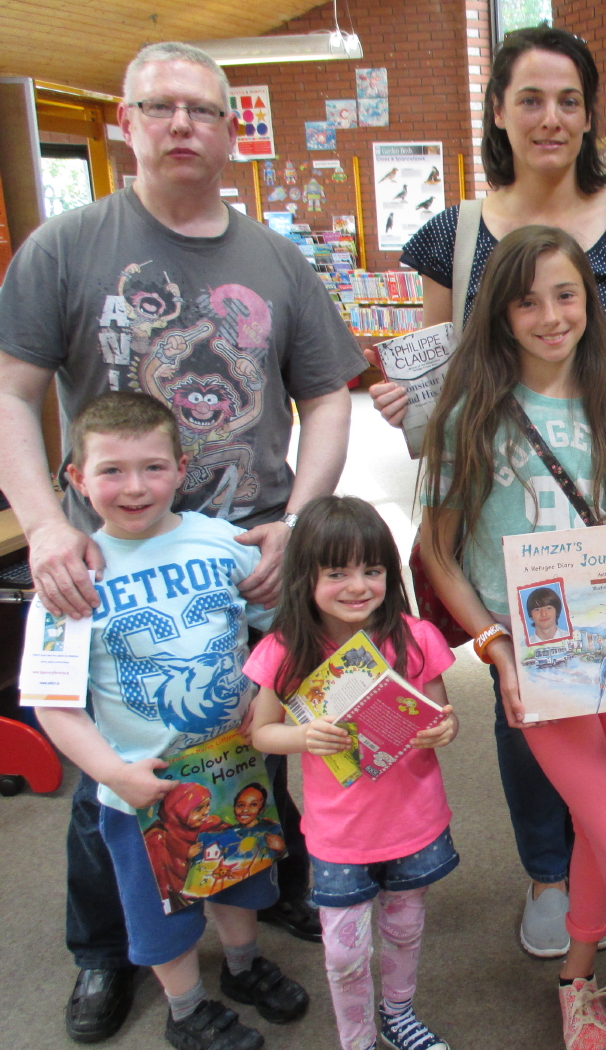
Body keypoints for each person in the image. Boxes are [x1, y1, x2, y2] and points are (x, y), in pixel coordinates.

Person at [0, 40, 363, 1042]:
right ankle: (105, 948)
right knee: (112, 776)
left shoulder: (277, 259)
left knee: (251, 731)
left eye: (203, 110)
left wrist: (297, 514)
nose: (182, 126)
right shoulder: (66, 248)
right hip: (106, 570)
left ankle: (256, 897)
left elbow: (327, 394)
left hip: (247, 563)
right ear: (126, 122)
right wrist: (40, 522)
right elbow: (10, 392)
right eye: (160, 108)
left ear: (230, 130)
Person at [366, 27, 606, 955]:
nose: (551, 118)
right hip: (514, 514)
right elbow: (434, 389)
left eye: (568, 100)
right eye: (530, 99)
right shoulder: (455, 235)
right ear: (500, 113)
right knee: (528, 709)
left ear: (591, 113)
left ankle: (603, 866)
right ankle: (549, 875)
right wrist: (403, 402)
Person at [418, 225, 606, 1050]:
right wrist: (491, 643)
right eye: (527, 300)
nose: (550, 315)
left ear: (591, 301)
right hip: (537, 661)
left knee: (593, 825)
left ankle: (576, 981)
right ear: (500, 315)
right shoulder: (470, 416)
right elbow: (438, 548)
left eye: (566, 294)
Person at [34, 392, 310, 1050]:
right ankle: (185, 1008)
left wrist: (264, 700)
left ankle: (242, 967)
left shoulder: (224, 544)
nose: (135, 487)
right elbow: (53, 701)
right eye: (111, 471)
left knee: (241, 881)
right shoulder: (71, 577)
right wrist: (112, 775)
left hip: (232, 764)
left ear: (181, 468)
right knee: (163, 913)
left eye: (153, 468)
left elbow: (282, 641)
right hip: (141, 786)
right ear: (76, 477)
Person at [247, 495, 460, 1050]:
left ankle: (398, 1014)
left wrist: (443, 727)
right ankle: (357, 1038)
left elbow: (439, 714)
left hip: (412, 820)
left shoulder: (414, 638)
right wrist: (302, 737)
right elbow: (260, 732)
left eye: (372, 570)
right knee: (342, 952)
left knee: (405, 928)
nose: (358, 585)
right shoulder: (285, 650)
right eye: (336, 572)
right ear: (304, 579)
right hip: (339, 835)